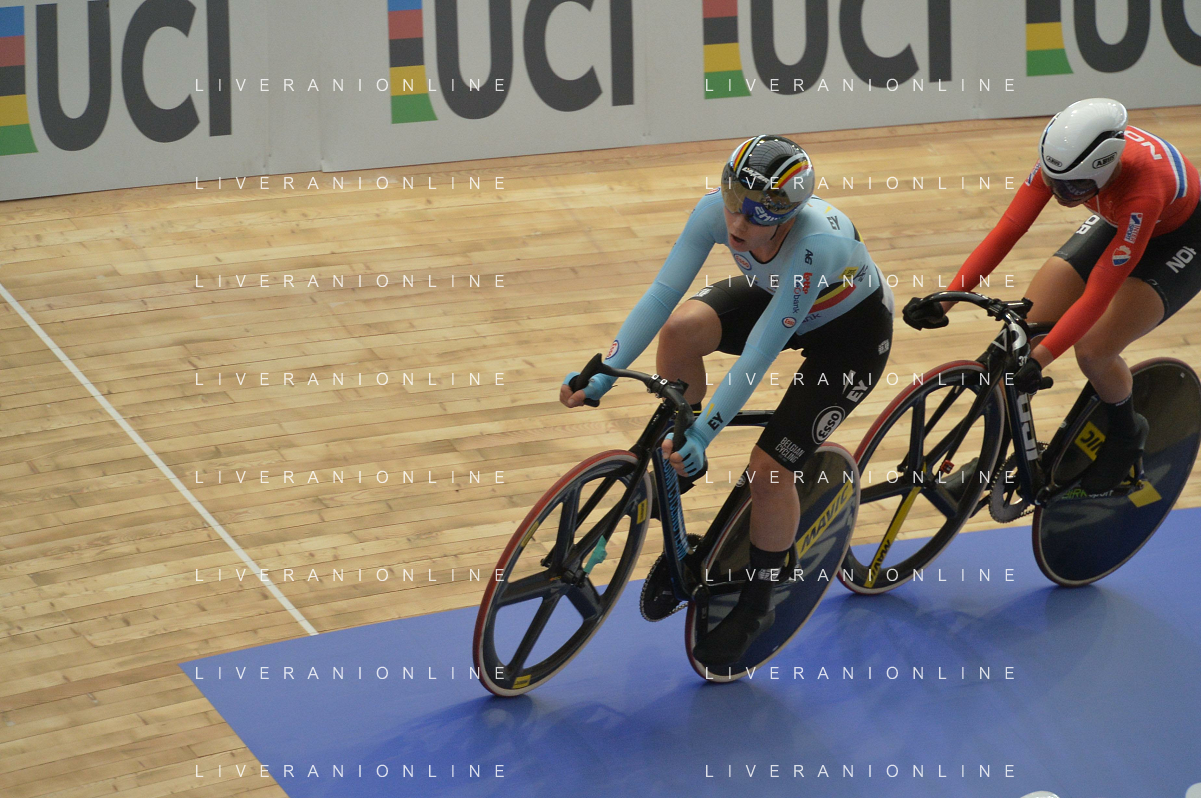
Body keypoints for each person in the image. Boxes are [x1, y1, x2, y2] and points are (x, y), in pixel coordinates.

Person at [561, 135, 894, 664]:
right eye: (736, 201)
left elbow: (761, 351)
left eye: (759, 215)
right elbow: (662, 294)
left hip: (850, 337)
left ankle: (760, 601)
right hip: (784, 297)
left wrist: (706, 431)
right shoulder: (716, 211)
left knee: (769, 470)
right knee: (680, 331)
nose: (738, 223)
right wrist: (605, 369)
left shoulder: (815, 245)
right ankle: (680, 472)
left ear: (789, 214)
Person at [905, 98, 1200, 495]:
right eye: (1054, 182)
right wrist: (945, 300)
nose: (1061, 195)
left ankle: (1127, 435)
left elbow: (1097, 296)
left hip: (1180, 239)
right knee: (1017, 340)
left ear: (1105, 166)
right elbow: (1008, 229)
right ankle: (993, 461)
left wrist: (1041, 361)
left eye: (1074, 187)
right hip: (1118, 217)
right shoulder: (1065, 161)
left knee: (1093, 351)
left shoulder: (1142, 191)